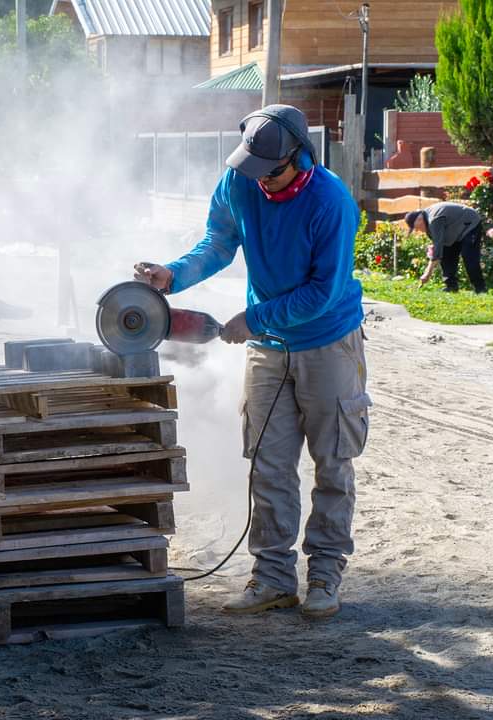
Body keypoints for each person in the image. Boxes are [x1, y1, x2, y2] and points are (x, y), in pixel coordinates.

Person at [134, 105, 370, 619]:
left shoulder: (330, 202)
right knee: (268, 464)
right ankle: (272, 579)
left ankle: (325, 578)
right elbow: (219, 241)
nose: (261, 181)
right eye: (253, 169)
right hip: (269, 348)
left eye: (272, 171)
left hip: (327, 343)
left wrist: (254, 319)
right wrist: (173, 276)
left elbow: (321, 294)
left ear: (299, 156)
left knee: (331, 463)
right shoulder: (241, 180)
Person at [406, 202, 487, 293]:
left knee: (469, 256)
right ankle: (451, 286)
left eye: (416, 227)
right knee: (446, 254)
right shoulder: (427, 221)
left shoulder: (434, 219)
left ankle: (480, 288)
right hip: (455, 230)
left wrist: (427, 273)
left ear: (419, 219)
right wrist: (436, 247)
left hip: (470, 223)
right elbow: (438, 245)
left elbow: (437, 250)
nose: (417, 230)